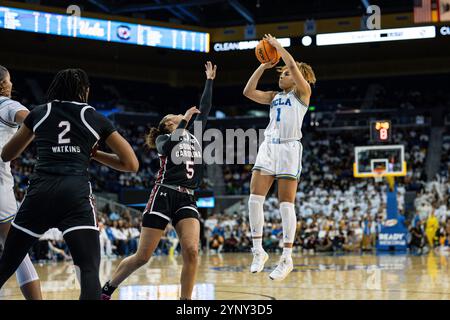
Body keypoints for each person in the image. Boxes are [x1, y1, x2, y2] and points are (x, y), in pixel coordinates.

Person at [0, 68, 139, 300]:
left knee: (7, 263)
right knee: (88, 270)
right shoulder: (94, 116)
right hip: (75, 195)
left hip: (40, 194)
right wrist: (94, 154)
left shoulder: (39, 113)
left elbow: (6, 154)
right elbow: (131, 164)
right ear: (85, 91)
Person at [101, 61, 217, 300]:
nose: (177, 115)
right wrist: (183, 119)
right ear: (167, 125)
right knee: (143, 257)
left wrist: (209, 80)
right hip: (163, 194)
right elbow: (173, 143)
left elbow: (204, 109)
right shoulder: (164, 139)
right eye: (172, 117)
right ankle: (109, 287)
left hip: (187, 197)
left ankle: (185, 303)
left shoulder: (193, 134)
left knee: (192, 251)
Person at [243, 34, 316, 281]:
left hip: (289, 148)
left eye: (284, 73)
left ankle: (286, 257)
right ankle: (258, 250)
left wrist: (279, 48)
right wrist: (263, 65)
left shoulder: (303, 93)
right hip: (269, 147)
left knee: (286, 203)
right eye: (281, 73)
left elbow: (294, 67)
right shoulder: (274, 96)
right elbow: (248, 91)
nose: (281, 75)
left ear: (297, 78)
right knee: (254, 198)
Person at [0, 65, 42, 299]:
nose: (12, 84)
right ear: (4, 84)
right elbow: (33, 120)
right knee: (16, 251)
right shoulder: (8, 105)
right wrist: (13, 150)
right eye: (10, 80)